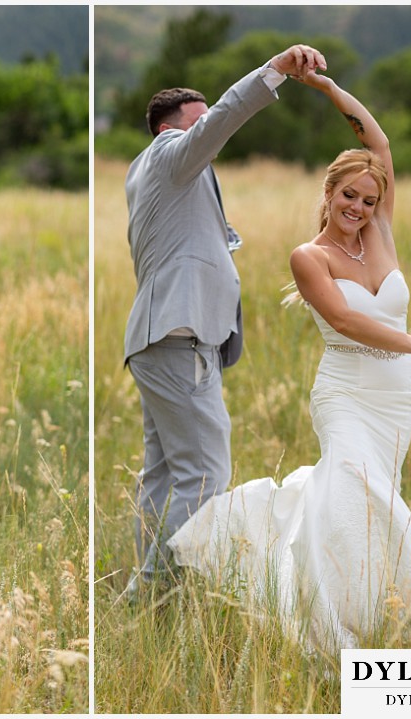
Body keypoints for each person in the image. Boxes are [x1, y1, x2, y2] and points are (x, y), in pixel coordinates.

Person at [167, 70, 411, 652]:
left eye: (368, 199)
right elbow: (349, 321)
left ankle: (373, 610)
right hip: (345, 394)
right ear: (328, 193)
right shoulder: (309, 257)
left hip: (394, 401)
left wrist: (329, 92)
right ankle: (321, 620)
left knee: (371, 505)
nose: (358, 207)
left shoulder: (380, 231)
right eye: (348, 195)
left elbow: (378, 146)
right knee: (352, 484)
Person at [122, 44, 327, 596]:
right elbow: (228, 116)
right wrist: (275, 71)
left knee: (164, 474)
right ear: (170, 128)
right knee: (206, 474)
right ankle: (171, 593)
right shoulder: (169, 156)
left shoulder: (158, 173)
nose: (208, 126)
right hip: (179, 338)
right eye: (199, 120)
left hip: (162, 339)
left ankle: (148, 590)